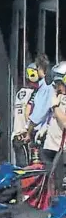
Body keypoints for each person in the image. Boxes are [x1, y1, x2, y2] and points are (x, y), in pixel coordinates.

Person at [41, 62, 66, 193]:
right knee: (50, 185)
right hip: (51, 146)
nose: (57, 87)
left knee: (60, 188)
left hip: (62, 151)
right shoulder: (59, 96)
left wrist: (55, 107)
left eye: (59, 84)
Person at [12, 63, 39, 167]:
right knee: (28, 173)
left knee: (21, 171)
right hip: (24, 136)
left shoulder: (21, 92)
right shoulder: (34, 93)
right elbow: (28, 113)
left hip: (16, 136)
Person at [25, 54, 55, 143]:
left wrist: (28, 132)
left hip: (45, 134)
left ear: (40, 69)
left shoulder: (46, 87)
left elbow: (38, 114)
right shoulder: (48, 86)